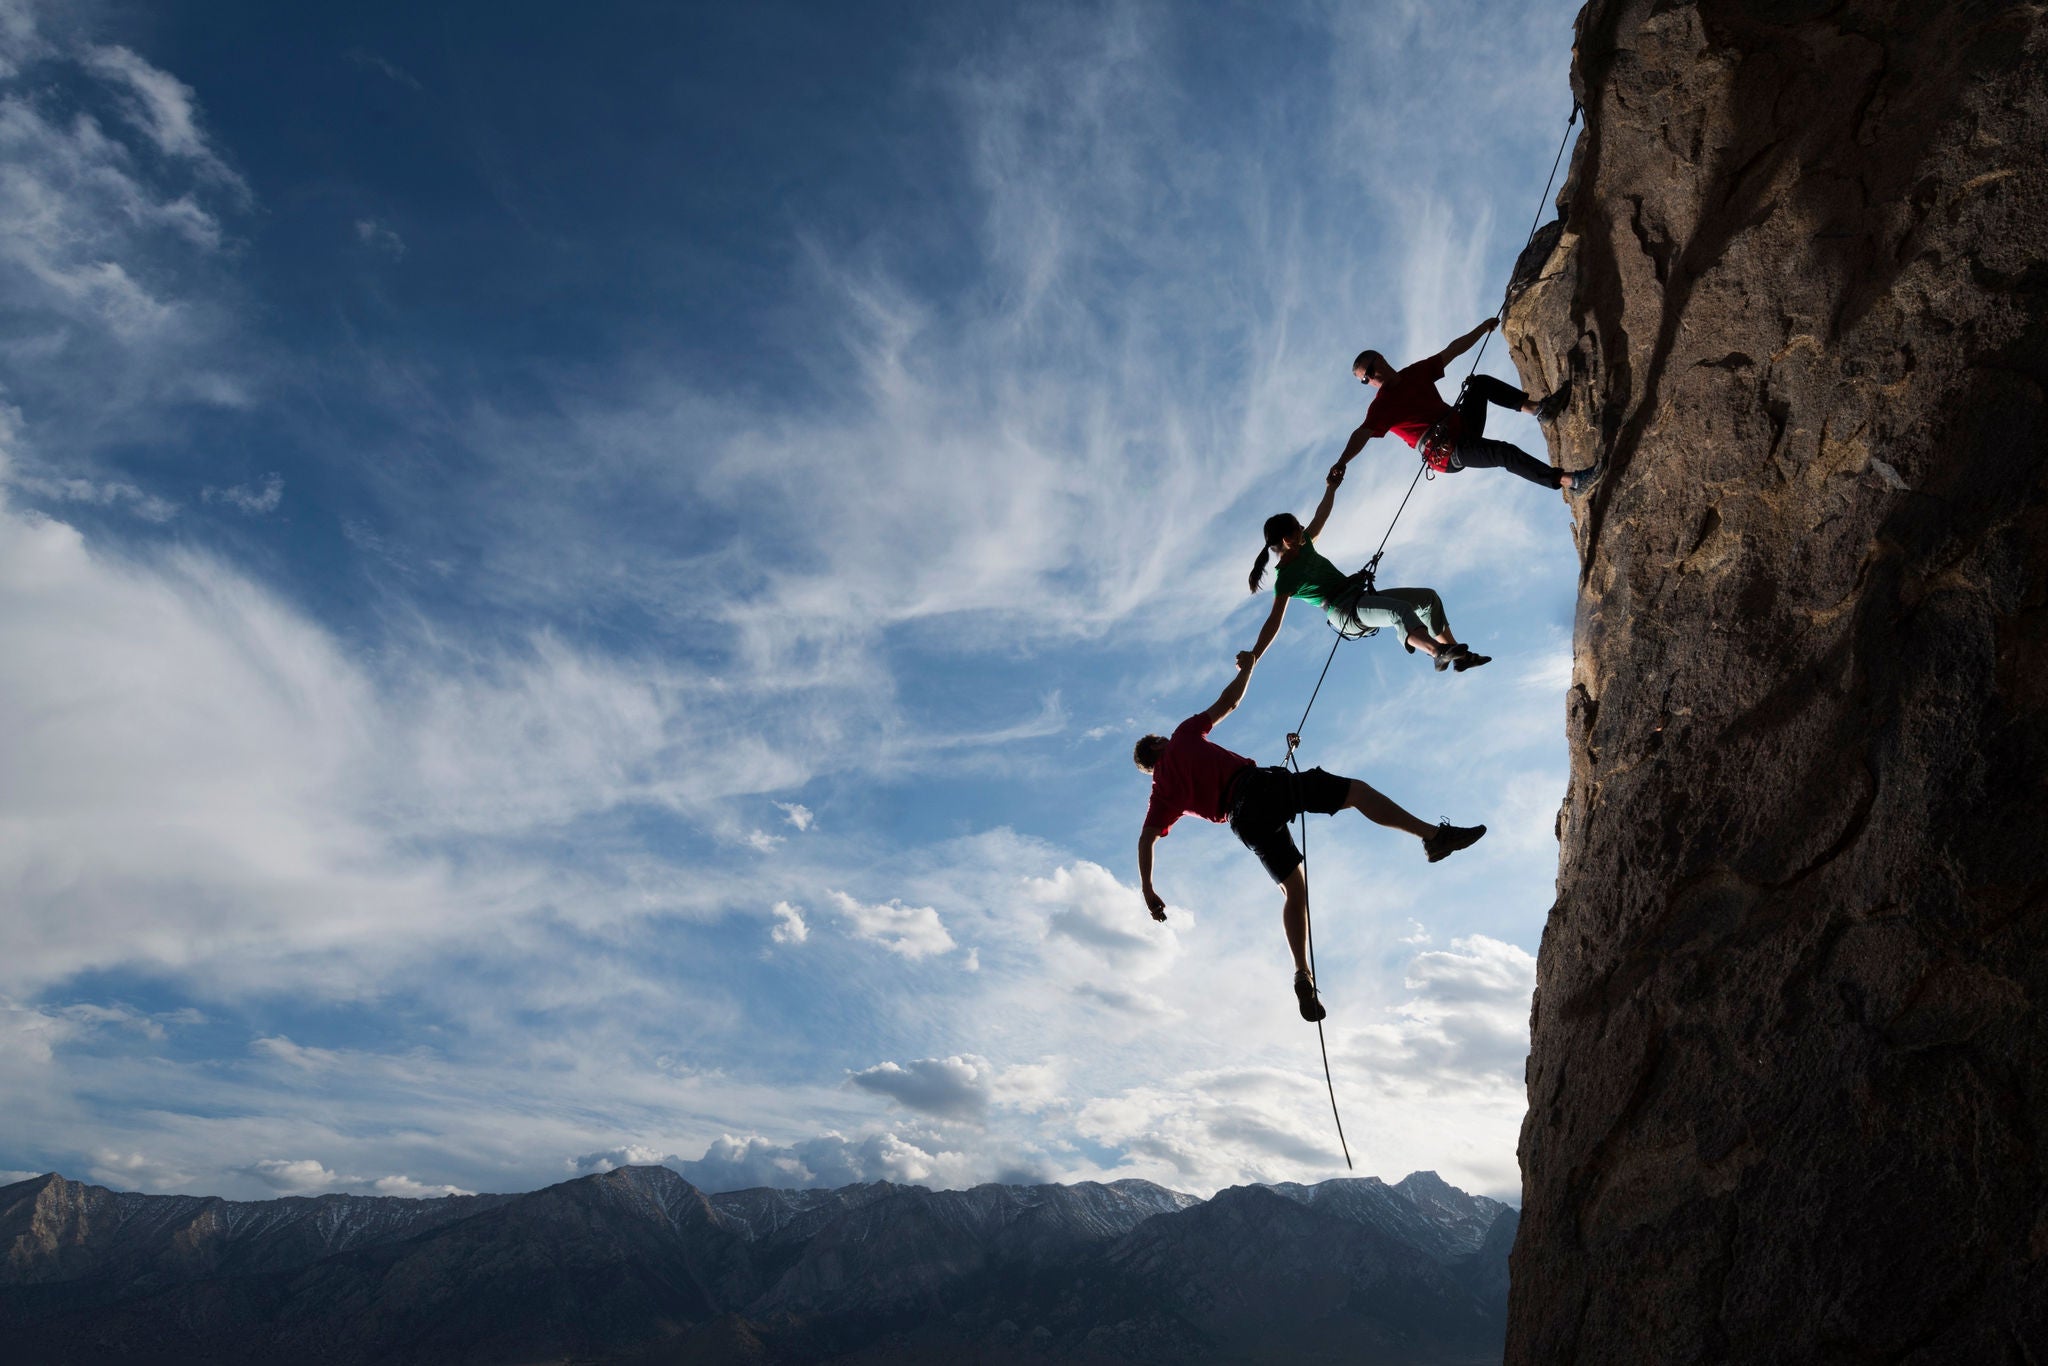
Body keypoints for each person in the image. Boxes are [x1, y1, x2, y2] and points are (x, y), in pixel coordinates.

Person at [1134, 653, 1486, 1022]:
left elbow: (1146, 839)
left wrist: (1148, 890)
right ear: (1157, 746)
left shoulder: (1161, 795)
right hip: (1256, 787)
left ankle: (1303, 972)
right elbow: (1230, 702)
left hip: (1244, 822)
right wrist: (1250, 666)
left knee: (1294, 891)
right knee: (1357, 793)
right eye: (1158, 738)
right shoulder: (1181, 738)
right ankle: (1433, 836)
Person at [1245, 460, 1489, 672]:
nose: (1303, 528)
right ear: (1288, 540)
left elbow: (1321, 516)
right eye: (1299, 527)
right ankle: (1437, 653)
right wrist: (1254, 656)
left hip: (1358, 598)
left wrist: (1330, 488)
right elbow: (1273, 623)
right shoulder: (1285, 578)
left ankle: (1459, 658)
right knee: (1399, 611)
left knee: (1427, 599)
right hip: (1343, 612)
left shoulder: (1305, 544)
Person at [1340, 318, 1602, 497]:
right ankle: (1571, 481)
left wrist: (1481, 329)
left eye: (1370, 370)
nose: (1371, 379)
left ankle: (1539, 410)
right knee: (1503, 452)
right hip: (1448, 451)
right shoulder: (1381, 406)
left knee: (1479, 384)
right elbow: (1361, 434)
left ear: (1381, 360)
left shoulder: (1414, 374)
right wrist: (1342, 462)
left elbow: (1451, 351)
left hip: (1462, 425)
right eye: (1365, 380)